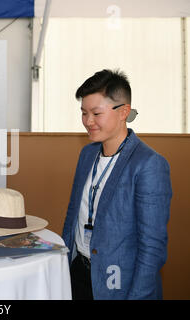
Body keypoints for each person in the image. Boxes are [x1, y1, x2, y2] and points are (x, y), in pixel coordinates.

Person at [62, 69, 172, 300]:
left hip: (120, 284)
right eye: (83, 113)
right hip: (79, 273)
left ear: (123, 112)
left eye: (96, 113)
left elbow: (152, 248)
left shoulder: (149, 164)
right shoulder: (87, 154)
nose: (88, 121)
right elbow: (74, 213)